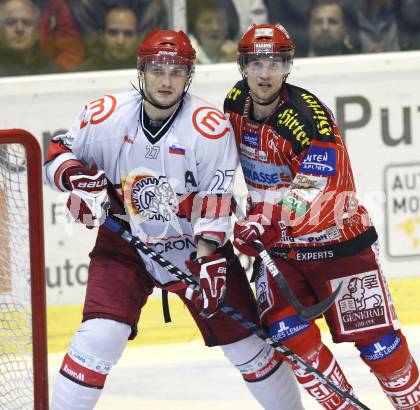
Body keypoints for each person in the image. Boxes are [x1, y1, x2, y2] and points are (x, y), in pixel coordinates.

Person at [44, 28, 304, 409]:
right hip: (124, 245)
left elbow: (216, 203)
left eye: (177, 71)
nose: (166, 81)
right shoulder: (106, 116)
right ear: (142, 70)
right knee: (99, 338)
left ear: (189, 75)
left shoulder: (209, 128)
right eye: (158, 70)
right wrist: (75, 177)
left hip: (190, 247)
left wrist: (208, 257)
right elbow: (53, 157)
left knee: (248, 347)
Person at [225, 23, 420, 409]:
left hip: (338, 244)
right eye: (256, 63)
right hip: (281, 252)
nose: (265, 73)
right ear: (243, 66)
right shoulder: (235, 102)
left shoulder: (308, 119)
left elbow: (318, 184)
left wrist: (271, 221)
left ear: (288, 65)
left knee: (380, 345)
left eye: (275, 62)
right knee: (288, 333)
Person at [0, 0, 63, 76]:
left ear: (37, 32)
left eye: (27, 23)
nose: (19, 29)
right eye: (11, 22)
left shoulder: (56, 74)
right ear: (1, 31)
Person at [76, 6, 138, 71]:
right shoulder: (82, 74)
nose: (120, 41)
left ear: (137, 38)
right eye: (113, 33)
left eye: (128, 34)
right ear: (102, 36)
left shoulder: (147, 72)